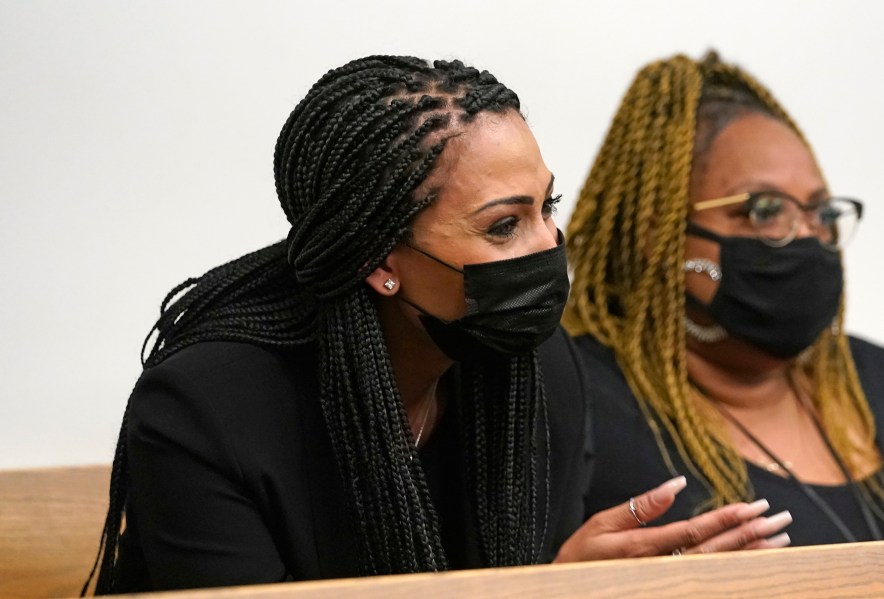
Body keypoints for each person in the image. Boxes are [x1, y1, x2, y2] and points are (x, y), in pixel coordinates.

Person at [85, 55, 788, 595]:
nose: (550, 246)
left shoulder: (541, 370)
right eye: (505, 225)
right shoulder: (208, 412)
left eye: (549, 207)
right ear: (379, 260)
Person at [563, 51, 884, 547]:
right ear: (660, 234)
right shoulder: (572, 400)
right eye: (764, 210)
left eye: (819, 211)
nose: (804, 236)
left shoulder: (870, 378)